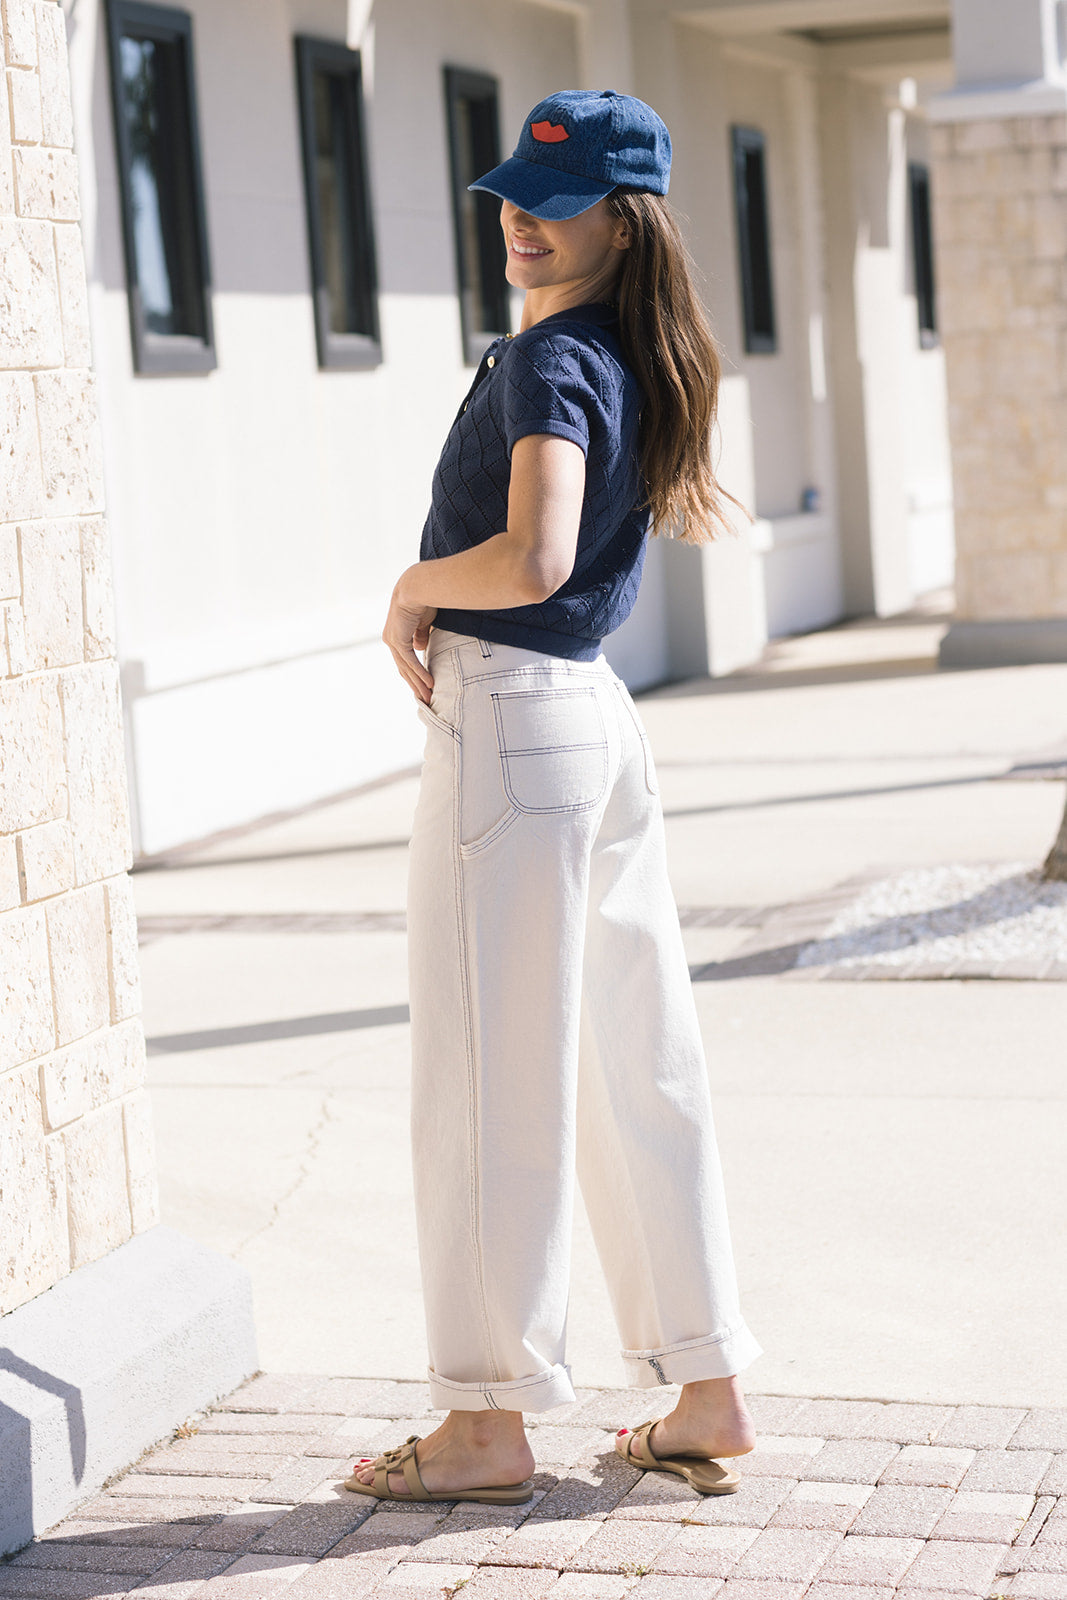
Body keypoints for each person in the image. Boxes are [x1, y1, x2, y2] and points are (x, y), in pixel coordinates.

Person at [346, 89, 761, 1507]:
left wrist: (408, 586)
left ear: (621, 211)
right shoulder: (644, 353)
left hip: (514, 726)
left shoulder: (553, 361)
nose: (521, 212)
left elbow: (531, 558)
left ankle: (481, 1425)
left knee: (485, 1083)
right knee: (635, 1059)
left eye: (556, 193)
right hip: (592, 720)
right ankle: (704, 1389)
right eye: (512, 189)